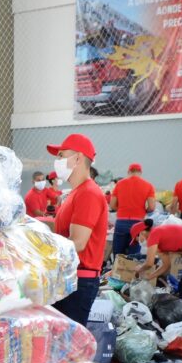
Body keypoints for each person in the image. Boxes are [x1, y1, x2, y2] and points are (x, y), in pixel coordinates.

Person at [49, 134, 106, 325]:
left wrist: (42, 250)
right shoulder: (76, 193)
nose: (57, 161)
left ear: (78, 158)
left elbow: (79, 243)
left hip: (78, 281)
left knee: (68, 349)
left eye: (61, 155)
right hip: (69, 277)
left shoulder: (88, 193)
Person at [131, 219, 182, 303]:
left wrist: (140, 269)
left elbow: (149, 263)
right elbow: (166, 265)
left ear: (142, 232)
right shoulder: (158, 238)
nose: (139, 242)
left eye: (137, 239)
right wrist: (148, 278)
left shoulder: (154, 234)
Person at [109, 163, 156, 256]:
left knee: (118, 255)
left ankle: (116, 269)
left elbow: (112, 205)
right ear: (140, 172)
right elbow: (151, 207)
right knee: (133, 257)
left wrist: (122, 209)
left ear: (128, 172)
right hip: (138, 224)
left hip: (121, 222)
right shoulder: (148, 185)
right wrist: (143, 210)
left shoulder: (119, 184)